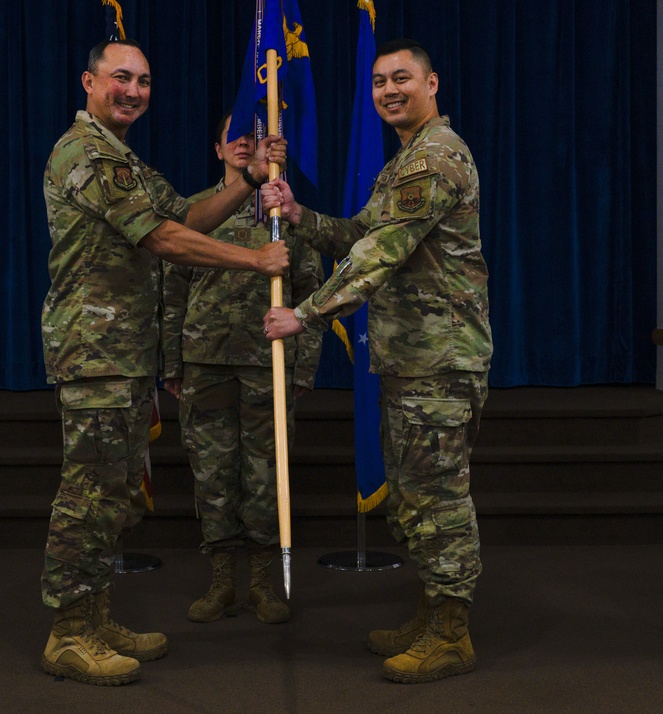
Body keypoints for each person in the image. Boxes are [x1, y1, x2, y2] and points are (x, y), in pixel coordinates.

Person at [40, 38, 289, 687]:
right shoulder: (86, 152)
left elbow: (184, 215)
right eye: (121, 77)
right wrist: (254, 260)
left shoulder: (122, 156)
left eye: (144, 81)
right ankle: (68, 633)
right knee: (87, 495)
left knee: (114, 494)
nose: (133, 90)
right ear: (88, 80)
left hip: (121, 354)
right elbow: (161, 239)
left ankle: (95, 617)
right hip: (94, 353)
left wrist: (242, 185)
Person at [261, 38, 493, 684]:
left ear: (432, 83)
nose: (389, 90)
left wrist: (302, 314)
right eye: (379, 82)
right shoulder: (404, 162)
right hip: (413, 361)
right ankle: (431, 611)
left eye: (402, 78)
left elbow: (379, 254)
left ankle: (451, 632)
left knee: (440, 501)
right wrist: (300, 215)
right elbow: (361, 234)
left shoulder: (434, 160)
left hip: (440, 362)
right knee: (417, 500)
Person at [161, 113, 323, 626]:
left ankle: (260, 582)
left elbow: (311, 293)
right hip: (204, 360)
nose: (243, 145)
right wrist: (171, 362)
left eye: (253, 137)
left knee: (264, 475)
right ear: (216, 148)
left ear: (269, 147)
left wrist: (303, 369)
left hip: (266, 360)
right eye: (233, 136)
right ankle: (222, 581)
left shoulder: (283, 211)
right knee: (212, 475)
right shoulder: (196, 214)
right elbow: (171, 293)